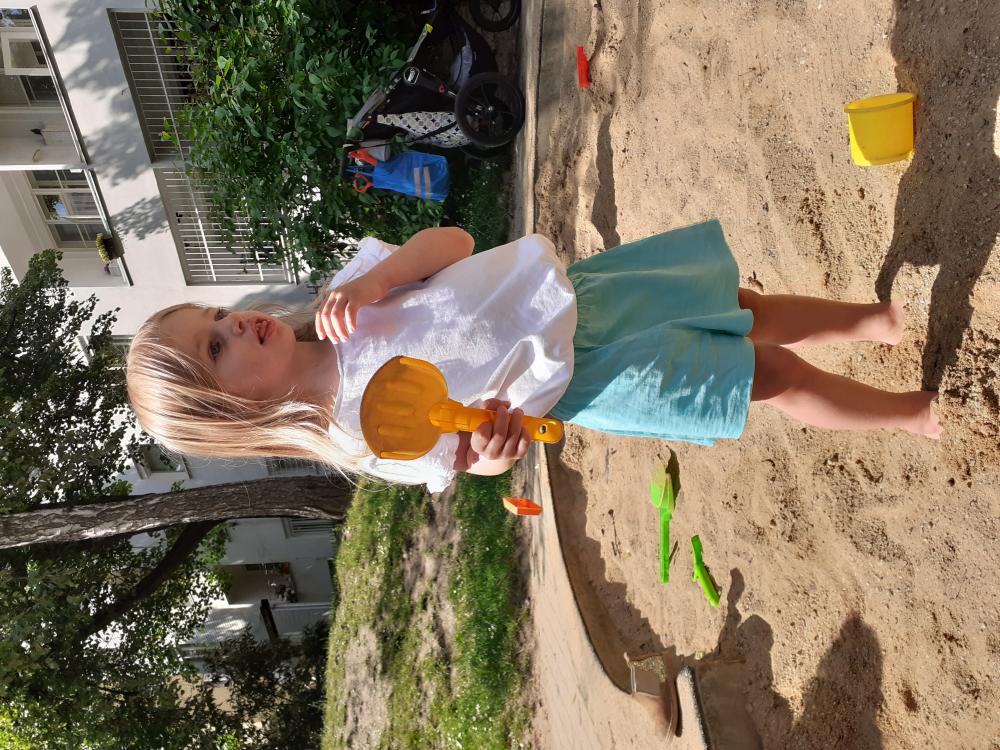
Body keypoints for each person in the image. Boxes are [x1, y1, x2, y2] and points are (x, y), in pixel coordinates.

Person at [125, 222, 941, 494]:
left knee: (745, 309)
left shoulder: (349, 298)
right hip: (584, 381)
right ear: (232, 411)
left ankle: (876, 321)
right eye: (215, 346)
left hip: (578, 296)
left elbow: (455, 243)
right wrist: (496, 447)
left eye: (217, 315)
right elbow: (467, 459)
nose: (236, 323)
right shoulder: (358, 438)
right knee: (764, 378)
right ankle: (915, 416)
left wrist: (379, 279)